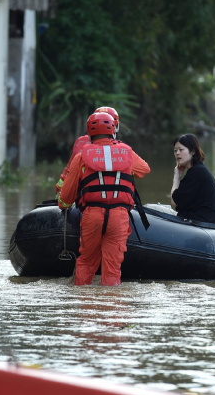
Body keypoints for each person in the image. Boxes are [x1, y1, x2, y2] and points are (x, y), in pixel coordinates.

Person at [58, 111, 150, 286]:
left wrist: (63, 205)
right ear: (114, 130)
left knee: (86, 262)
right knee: (113, 268)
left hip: (91, 215)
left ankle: (84, 307)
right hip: (119, 216)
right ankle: (111, 308)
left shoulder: (81, 156)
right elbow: (144, 169)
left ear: (89, 133)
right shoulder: (126, 153)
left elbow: (66, 197)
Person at [55, 106, 120, 194]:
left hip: (81, 195)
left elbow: (68, 171)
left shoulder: (81, 142)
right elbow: (142, 169)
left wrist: (60, 191)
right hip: (110, 197)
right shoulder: (121, 149)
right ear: (115, 125)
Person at [171, 134, 215, 224]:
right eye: (175, 150)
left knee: (153, 210)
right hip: (202, 220)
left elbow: (175, 202)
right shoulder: (199, 169)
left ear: (193, 151)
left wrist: (177, 177)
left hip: (201, 223)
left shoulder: (196, 172)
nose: (177, 153)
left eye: (181, 150)